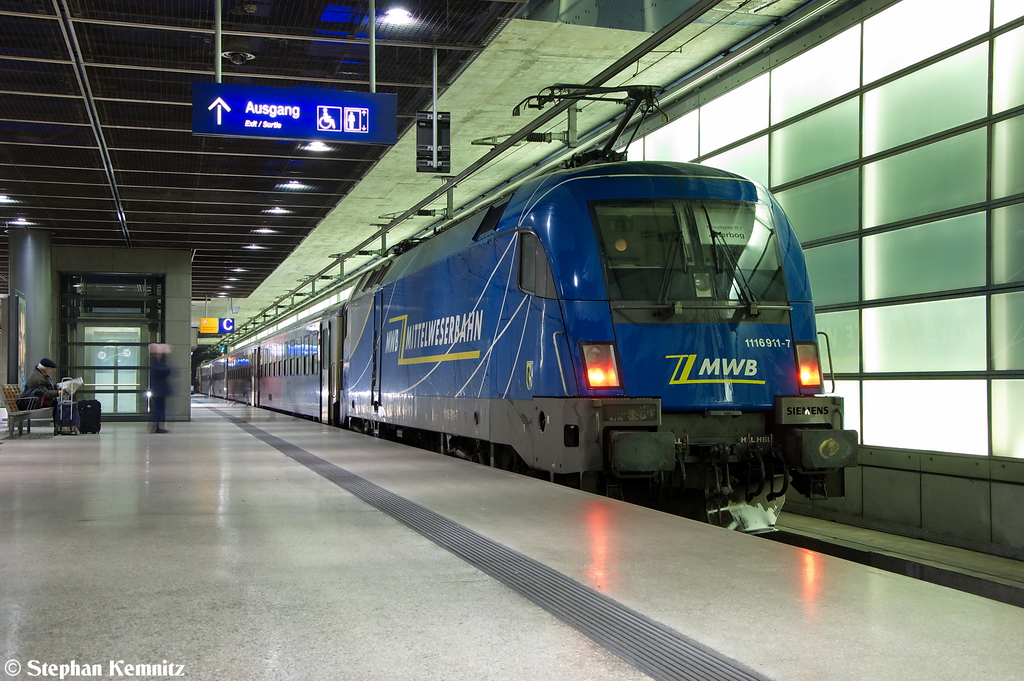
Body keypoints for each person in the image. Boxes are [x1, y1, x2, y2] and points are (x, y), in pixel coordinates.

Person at [148, 343, 172, 433]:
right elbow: (164, 370)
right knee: (159, 408)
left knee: (160, 408)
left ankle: (158, 425)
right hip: (158, 389)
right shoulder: (154, 361)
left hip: (160, 389)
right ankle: (157, 426)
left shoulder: (159, 360)